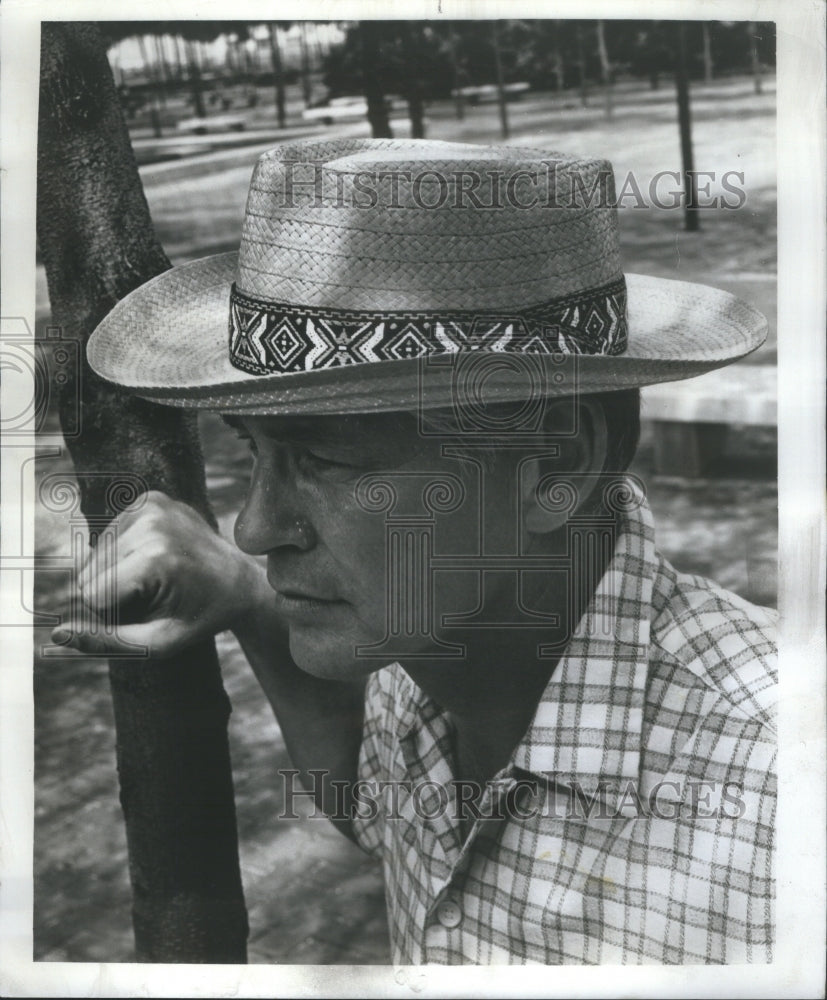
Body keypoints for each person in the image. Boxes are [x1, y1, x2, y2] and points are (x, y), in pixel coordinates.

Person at [57, 138, 776, 964]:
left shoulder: (774, 807)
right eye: (255, 450)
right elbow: (374, 803)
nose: (253, 529)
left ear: (554, 464)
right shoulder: (435, 648)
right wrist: (255, 604)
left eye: (325, 457)